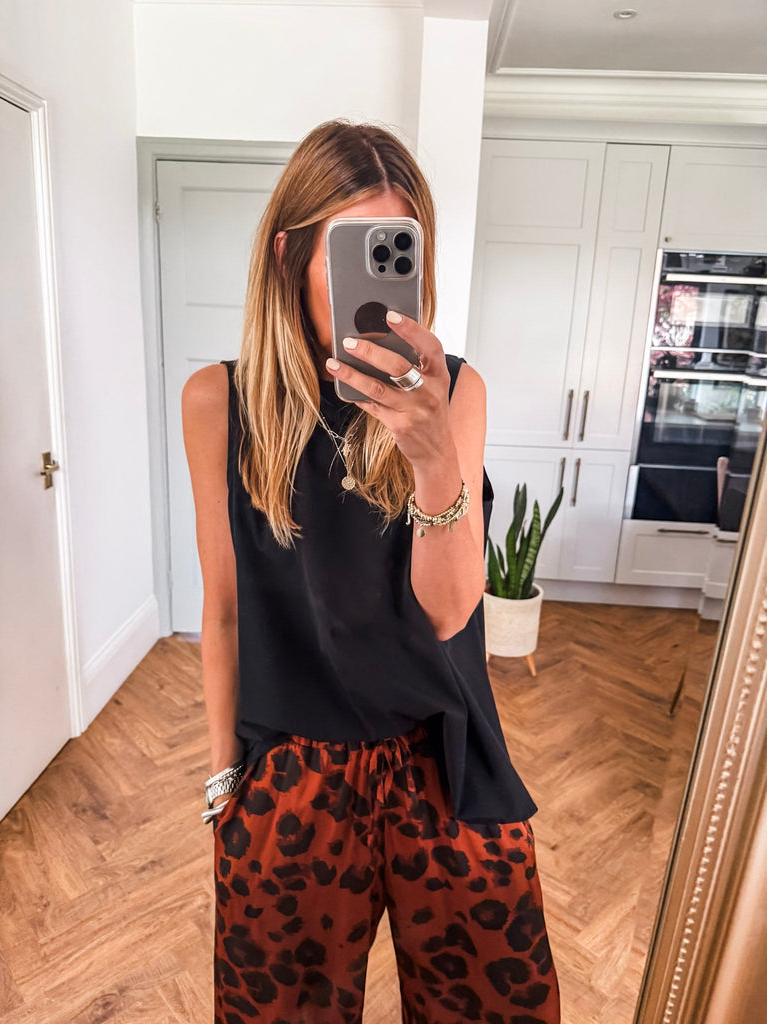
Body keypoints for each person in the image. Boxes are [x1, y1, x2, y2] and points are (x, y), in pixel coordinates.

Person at [182, 119, 560, 1024]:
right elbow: (224, 610)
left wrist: (432, 457)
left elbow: (451, 611)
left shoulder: (455, 393)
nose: (381, 285)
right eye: (353, 251)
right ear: (290, 257)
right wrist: (225, 783)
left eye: (398, 250)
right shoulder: (219, 402)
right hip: (291, 774)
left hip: (445, 762)